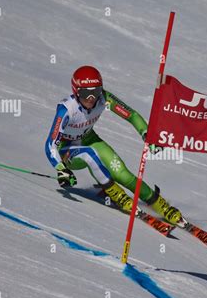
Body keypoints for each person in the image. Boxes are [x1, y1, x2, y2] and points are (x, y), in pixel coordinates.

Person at [45, 65, 183, 225]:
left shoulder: (104, 98)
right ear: (76, 91)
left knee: (123, 174)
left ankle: (161, 205)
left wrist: (147, 134)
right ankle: (118, 196)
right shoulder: (67, 109)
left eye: (95, 92)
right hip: (67, 151)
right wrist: (61, 168)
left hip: (90, 139)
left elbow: (131, 115)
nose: (91, 98)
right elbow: (50, 144)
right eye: (85, 93)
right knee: (89, 154)